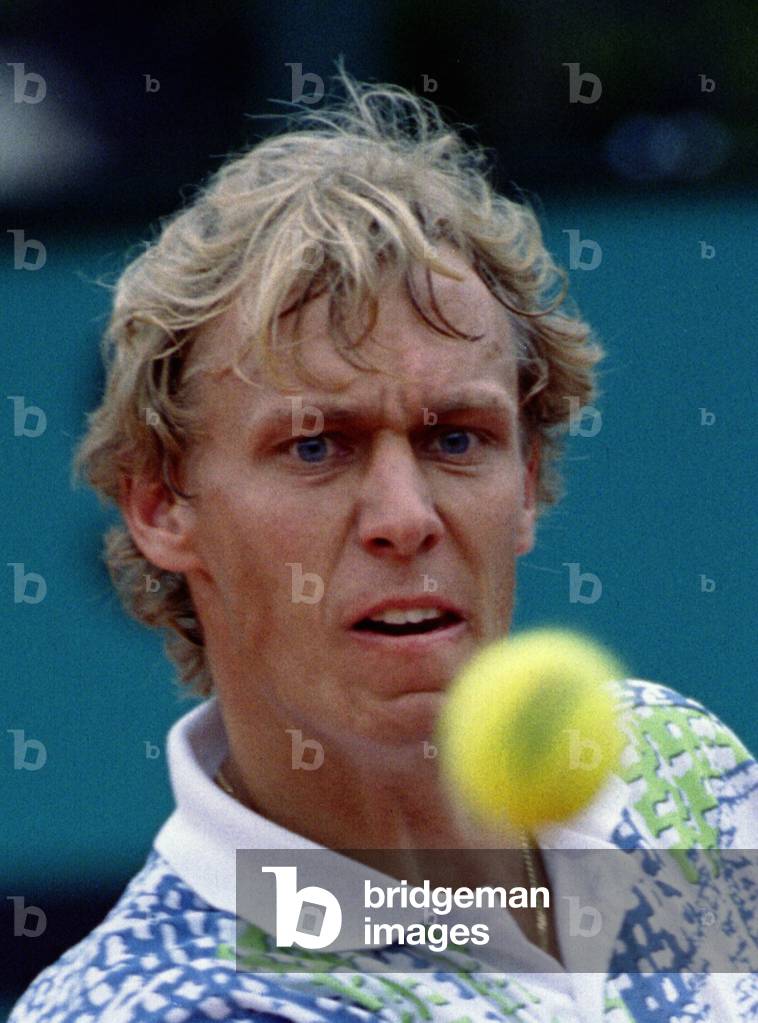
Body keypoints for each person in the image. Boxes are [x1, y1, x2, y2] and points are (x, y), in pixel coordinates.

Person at [10, 68, 757, 1023]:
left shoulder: (681, 764)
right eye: (315, 446)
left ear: (526, 484)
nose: (405, 515)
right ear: (161, 508)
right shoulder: (161, 1009)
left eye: (457, 438)